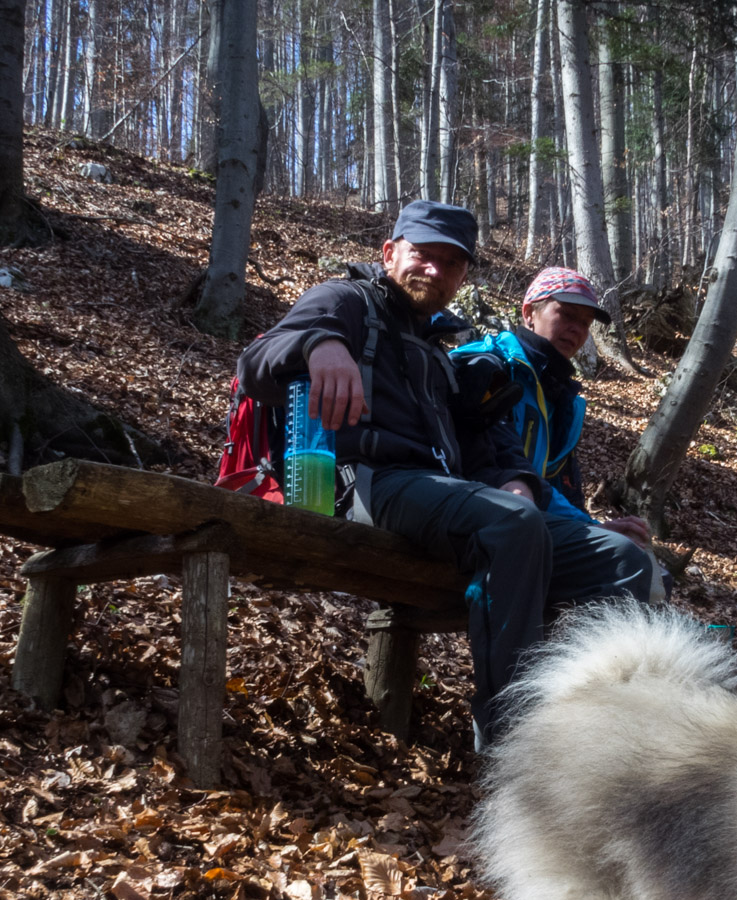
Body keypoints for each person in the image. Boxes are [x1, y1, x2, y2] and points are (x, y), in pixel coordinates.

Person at [236, 202, 655, 744]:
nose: (434, 270)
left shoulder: (437, 349)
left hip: (443, 495)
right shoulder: (343, 301)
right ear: (390, 253)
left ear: (462, 276)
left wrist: (518, 482)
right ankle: (514, 739)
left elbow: (481, 439)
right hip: (363, 483)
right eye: (422, 255)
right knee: (512, 526)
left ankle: (598, 735)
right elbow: (256, 364)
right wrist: (320, 344)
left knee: (621, 560)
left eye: (450, 263)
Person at [452, 268, 654, 556]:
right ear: (529, 313)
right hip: (479, 515)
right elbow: (495, 466)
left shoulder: (564, 400)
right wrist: (589, 529)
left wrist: (590, 525)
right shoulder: (491, 367)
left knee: (643, 561)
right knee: (623, 559)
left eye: (585, 324)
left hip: (531, 520)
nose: (577, 329)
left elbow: (566, 489)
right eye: (568, 315)